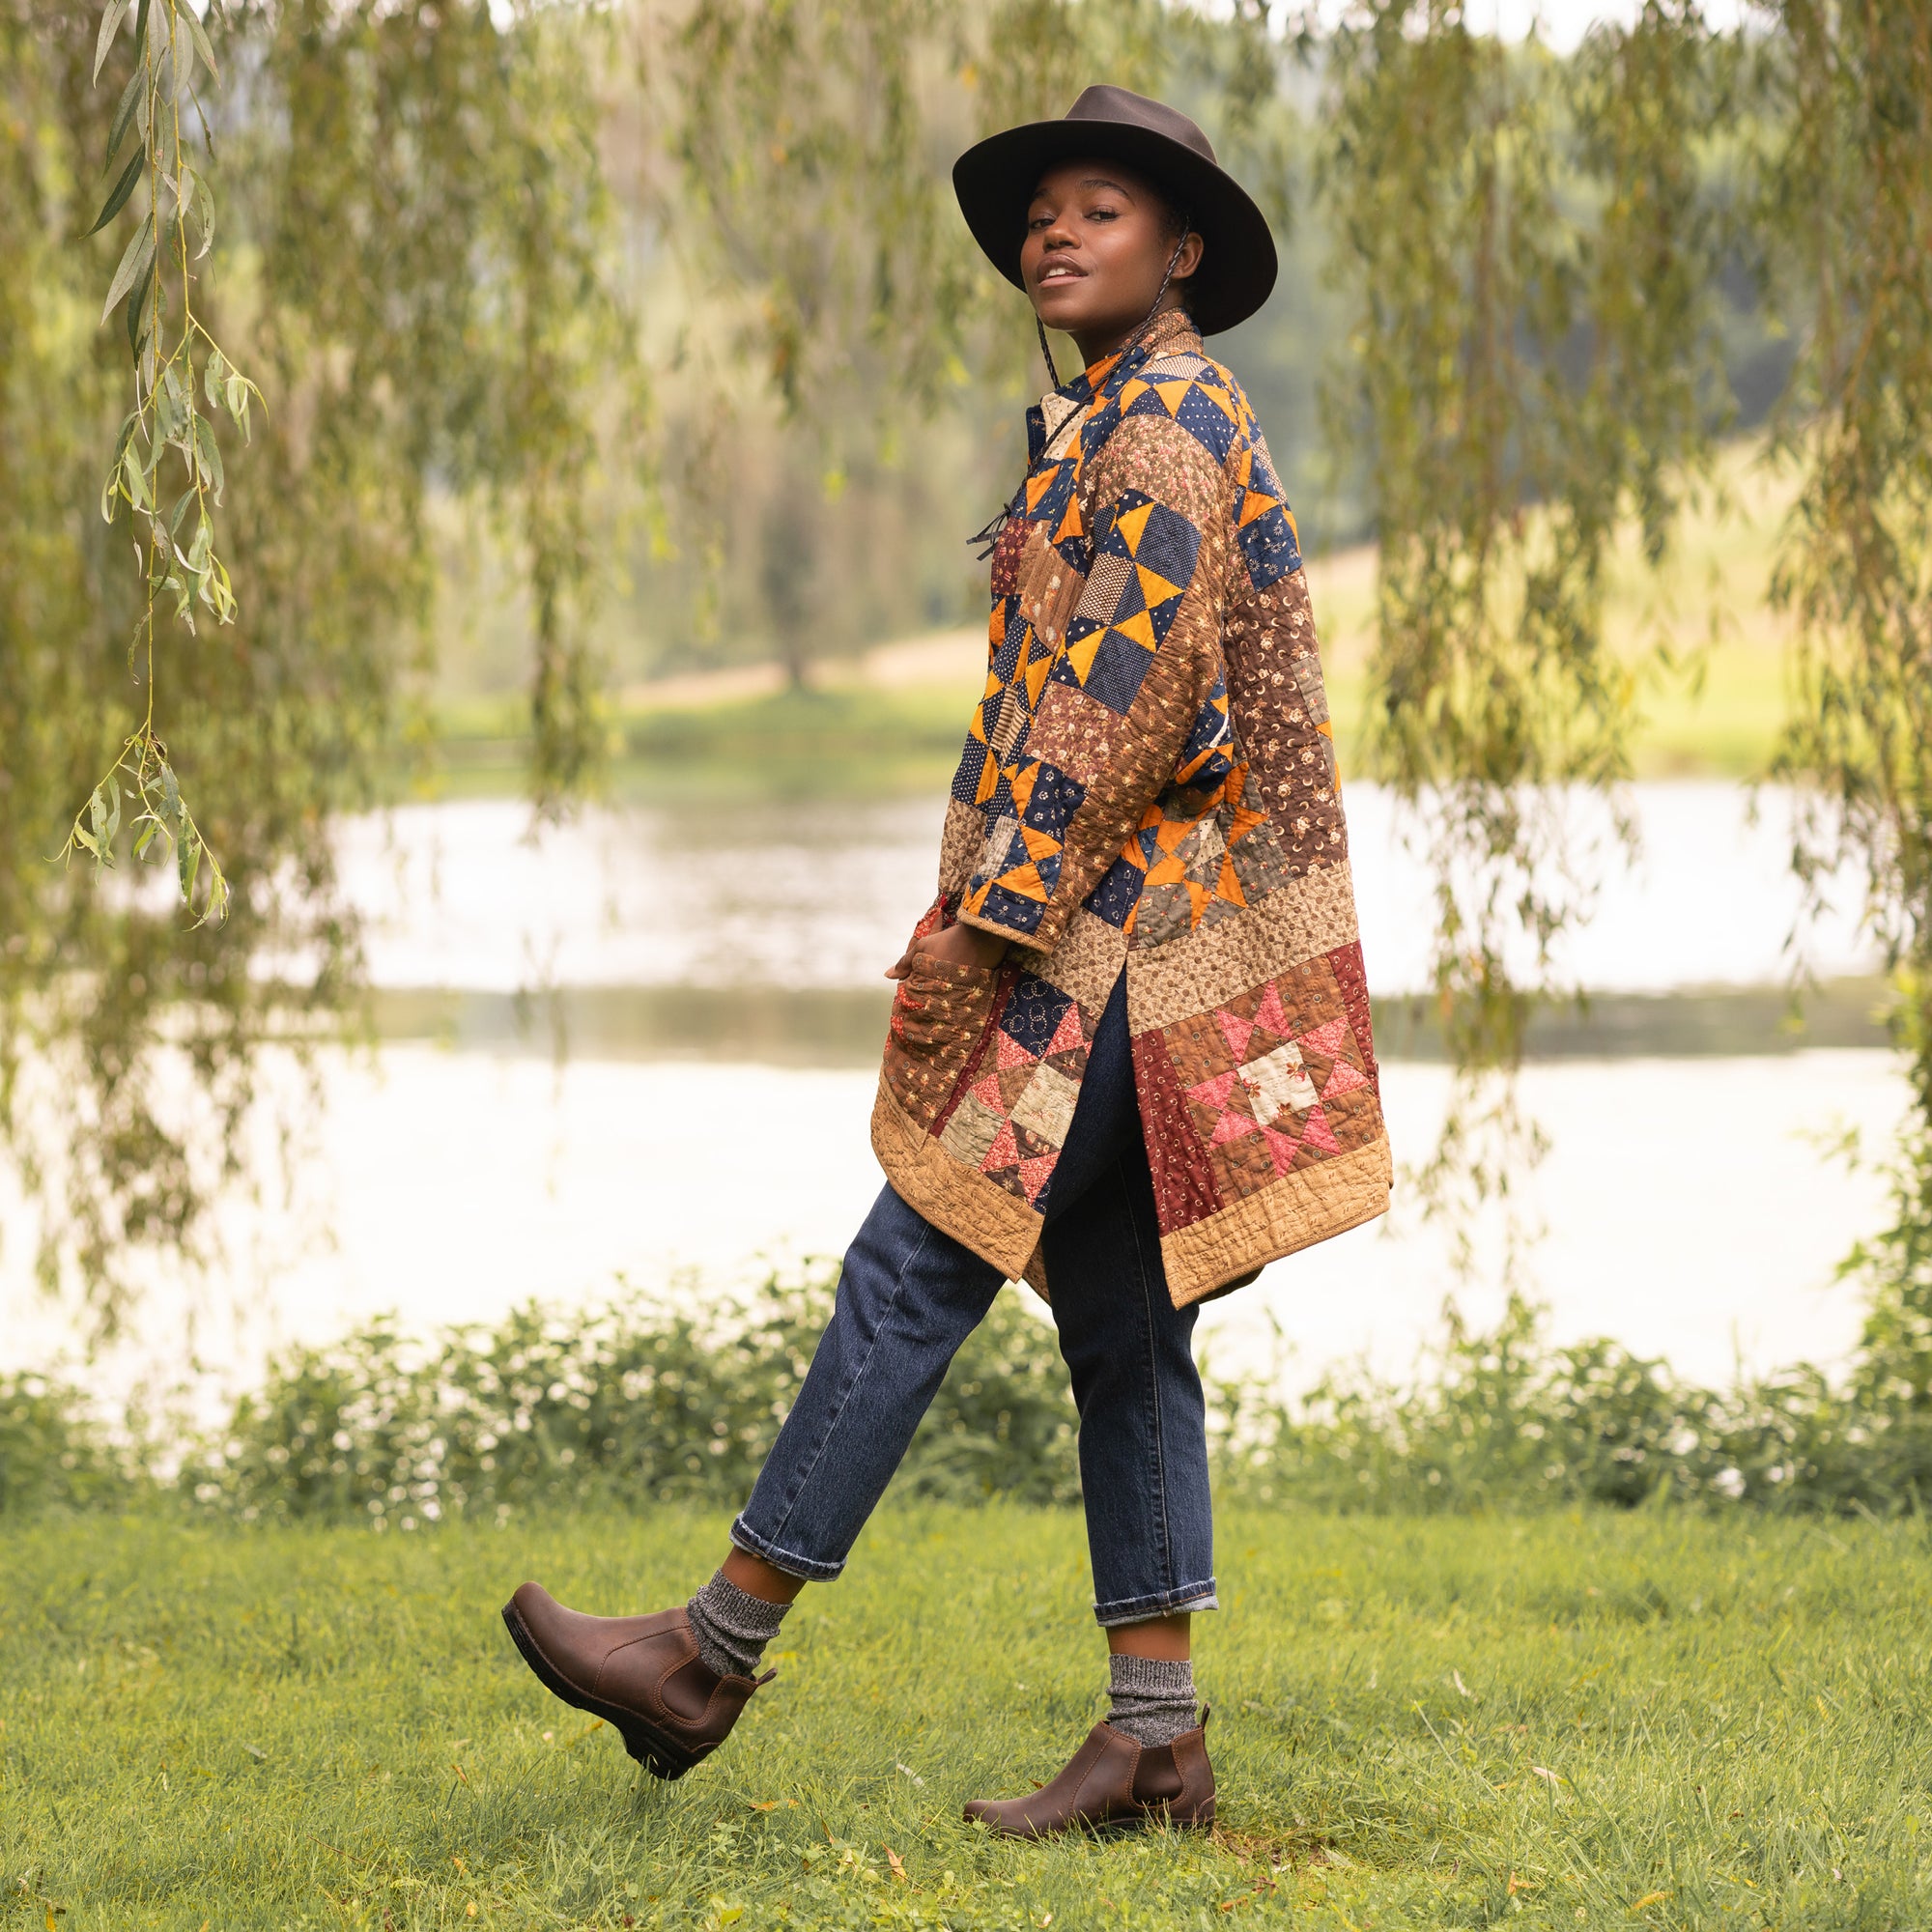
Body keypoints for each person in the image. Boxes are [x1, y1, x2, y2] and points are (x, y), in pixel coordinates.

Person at [502, 84, 1392, 1839]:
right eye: (1040, 213)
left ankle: (711, 1652)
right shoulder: (1123, 421)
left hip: (1124, 935)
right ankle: (1156, 1742)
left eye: (1101, 212)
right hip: (1156, 933)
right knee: (1128, 1328)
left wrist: (984, 923)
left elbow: (1115, 712)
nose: (1054, 234)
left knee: (916, 1263)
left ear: (1183, 249)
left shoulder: (1162, 429)